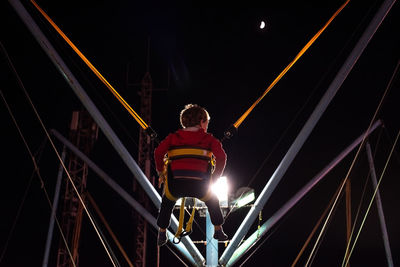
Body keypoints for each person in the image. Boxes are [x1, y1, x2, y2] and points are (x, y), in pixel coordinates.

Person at [155, 104, 228, 246]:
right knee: (213, 201)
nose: (207, 126)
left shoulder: (173, 138)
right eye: (206, 123)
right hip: (201, 186)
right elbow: (222, 157)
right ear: (201, 122)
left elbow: (158, 153)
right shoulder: (209, 139)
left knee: (167, 203)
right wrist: (216, 176)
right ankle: (218, 230)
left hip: (176, 186)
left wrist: (160, 172)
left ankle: (162, 232)